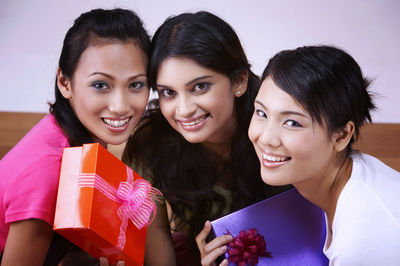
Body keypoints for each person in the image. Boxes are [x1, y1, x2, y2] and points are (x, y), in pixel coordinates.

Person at [0, 8, 175, 266]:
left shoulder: (75, 136)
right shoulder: (49, 171)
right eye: (100, 85)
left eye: (136, 84)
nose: (120, 106)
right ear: (65, 82)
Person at [122, 11, 290, 265]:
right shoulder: (151, 143)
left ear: (239, 80)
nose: (184, 109)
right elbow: (155, 245)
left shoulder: (278, 130)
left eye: (199, 87)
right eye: (169, 92)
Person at [248, 45, 400, 265]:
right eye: (262, 113)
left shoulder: (363, 239)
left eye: (292, 122)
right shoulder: (356, 175)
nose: (266, 138)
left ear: (341, 136)